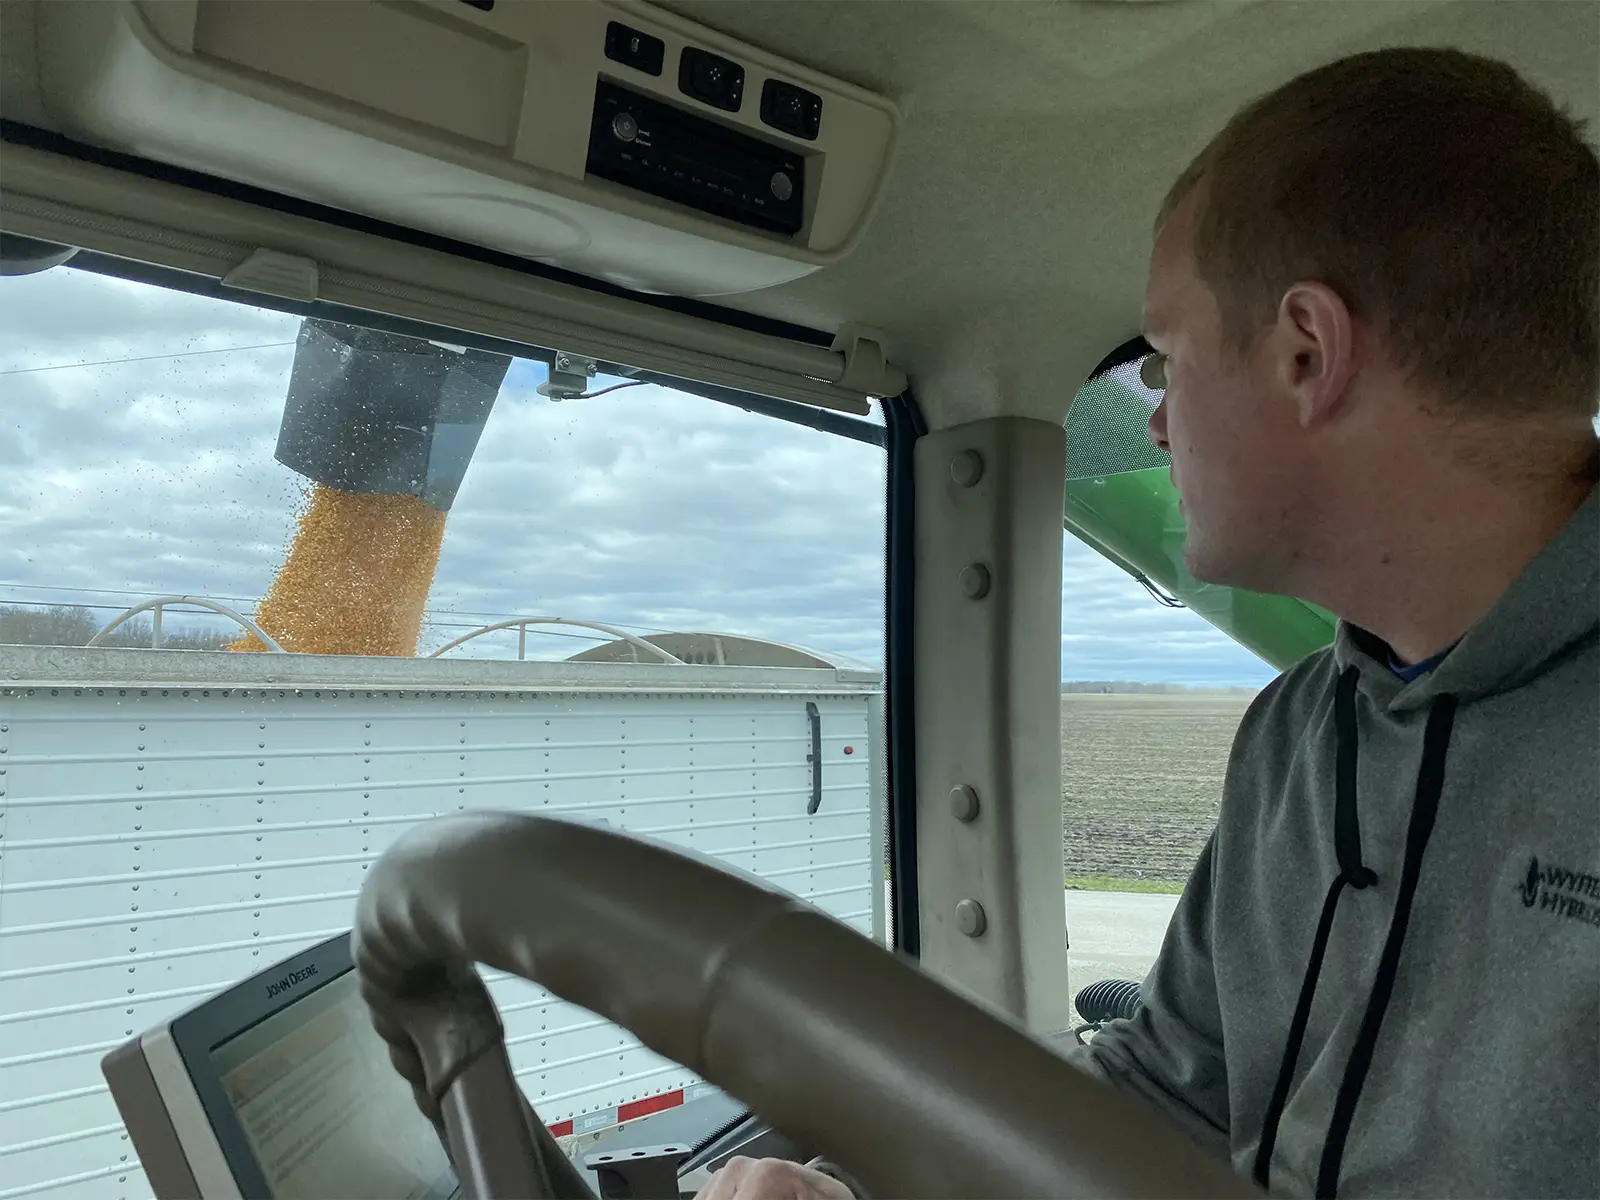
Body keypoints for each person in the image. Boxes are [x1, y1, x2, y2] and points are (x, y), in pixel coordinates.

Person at [694, 44, 1599, 1200]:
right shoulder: (1295, 735)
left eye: (1165, 358)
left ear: (1306, 355)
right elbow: (1175, 1095)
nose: (1160, 423)